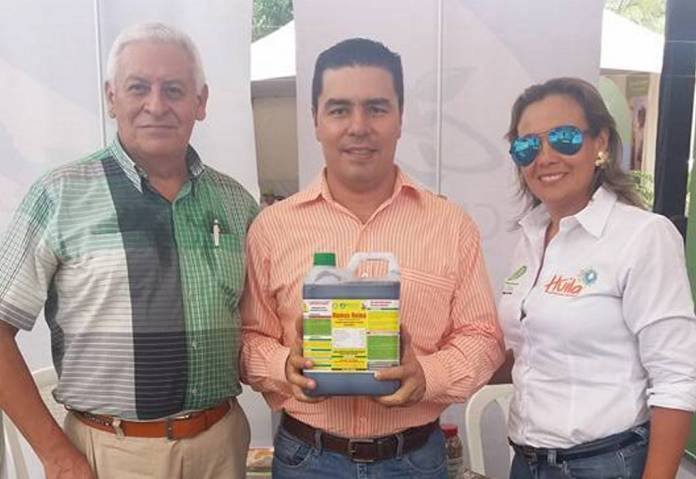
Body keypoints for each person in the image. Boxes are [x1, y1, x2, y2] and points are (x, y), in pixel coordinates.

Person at [0, 23, 258, 479]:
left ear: (200, 102)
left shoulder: (237, 203)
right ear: (111, 97)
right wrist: (56, 454)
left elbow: (262, 325)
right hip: (109, 456)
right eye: (138, 87)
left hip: (222, 447)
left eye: (174, 89)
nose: (156, 105)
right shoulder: (59, 196)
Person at [240, 37, 504, 479]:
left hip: (415, 460)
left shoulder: (451, 224)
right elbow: (249, 339)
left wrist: (427, 376)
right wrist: (284, 366)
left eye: (376, 108)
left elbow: (483, 337)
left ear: (400, 118)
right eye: (339, 109)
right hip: (307, 460)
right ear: (316, 120)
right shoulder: (272, 228)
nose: (358, 127)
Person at [496, 77, 696, 479]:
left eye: (564, 138)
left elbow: (676, 378)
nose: (545, 157)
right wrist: (440, 373)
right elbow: (529, 351)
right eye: (527, 146)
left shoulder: (643, 236)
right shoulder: (531, 236)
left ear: (600, 142)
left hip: (605, 464)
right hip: (527, 462)